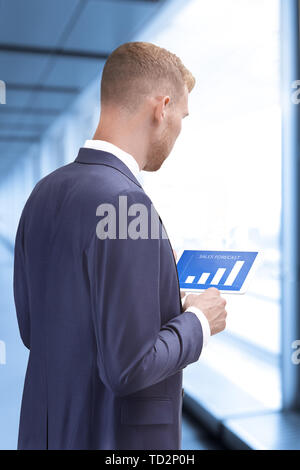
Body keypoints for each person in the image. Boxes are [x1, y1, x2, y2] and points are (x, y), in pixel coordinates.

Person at [13, 41, 227, 450]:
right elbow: (129, 367)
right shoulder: (128, 205)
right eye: (182, 116)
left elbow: (32, 329)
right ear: (160, 108)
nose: (180, 129)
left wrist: (158, 306)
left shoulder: (43, 193)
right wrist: (198, 320)